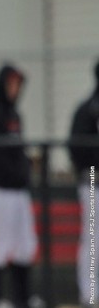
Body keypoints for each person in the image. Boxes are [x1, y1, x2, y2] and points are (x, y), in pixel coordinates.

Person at [0, 63, 38, 308]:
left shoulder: (15, 115)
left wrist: (24, 174)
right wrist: (15, 174)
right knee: (0, 246)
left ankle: (23, 298)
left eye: (18, 84)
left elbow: (19, 152)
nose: (14, 89)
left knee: (25, 245)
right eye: (10, 83)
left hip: (18, 191)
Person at [69, 58, 99, 308]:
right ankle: (89, 295)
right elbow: (76, 147)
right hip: (93, 183)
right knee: (92, 238)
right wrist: (89, 172)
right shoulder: (89, 108)